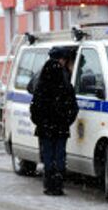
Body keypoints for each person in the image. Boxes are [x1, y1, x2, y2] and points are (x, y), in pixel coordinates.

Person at [30, 47, 79, 196]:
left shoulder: (41, 80)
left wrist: (40, 121)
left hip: (45, 128)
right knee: (59, 157)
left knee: (48, 157)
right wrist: (66, 121)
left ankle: (48, 185)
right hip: (60, 128)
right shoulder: (65, 80)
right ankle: (57, 186)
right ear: (62, 59)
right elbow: (73, 106)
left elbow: (34, 106)